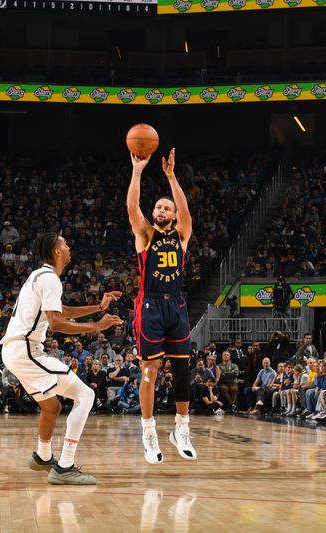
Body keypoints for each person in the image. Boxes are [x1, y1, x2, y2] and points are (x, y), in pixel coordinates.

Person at [0, 233, 123, 485]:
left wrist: (98, 307)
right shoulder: (50, 278)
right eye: (65, 244)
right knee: (86, 395)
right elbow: (56, 323)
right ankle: (65, 466)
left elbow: (62, 311)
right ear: (57, 252)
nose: (69, 248)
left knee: (52, 406)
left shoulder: (39, 276)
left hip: (18, 350)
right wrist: (96, 326)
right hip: (26, 350)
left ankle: (43, 456)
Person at [128, 148, 197, 464]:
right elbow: (132, 206)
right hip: (150, 306)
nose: (161, 209)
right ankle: (149, 432)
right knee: (149, 371)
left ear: (172, 215)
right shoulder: (145, 234)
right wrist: (138, 171)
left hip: (177, 306)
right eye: (157, 206)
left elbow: (184, 208)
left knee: (183, 368)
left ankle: (181, 429)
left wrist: (171, 176)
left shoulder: (182, 233)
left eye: (165, 207)